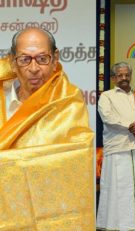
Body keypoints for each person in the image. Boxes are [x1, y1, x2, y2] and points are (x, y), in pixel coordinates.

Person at [0, 28, 94, 229]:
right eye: (25, 59)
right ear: (12, 61)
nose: (34, 68)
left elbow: (75, 161)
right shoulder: (1, 97)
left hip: (48, 211)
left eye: (42, 58)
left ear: (55, 59)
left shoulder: (68, 102)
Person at [97, 62, 135, 230]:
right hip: (118, 148)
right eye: (120, 75)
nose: (124, 78)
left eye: (127, 75)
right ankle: (115, 225)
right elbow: (108, 118)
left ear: (131, 75)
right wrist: (132, 126)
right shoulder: (106, 96)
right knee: (117, 189)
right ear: (114, 78)